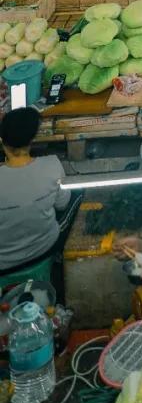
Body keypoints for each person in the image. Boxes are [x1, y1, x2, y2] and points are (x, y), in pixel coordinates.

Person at [0, 109, 66, 288]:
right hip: (44, 249)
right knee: (74, 194)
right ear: (32, 140)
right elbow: (63, 204)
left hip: (3, 263)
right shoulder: (52, 165)